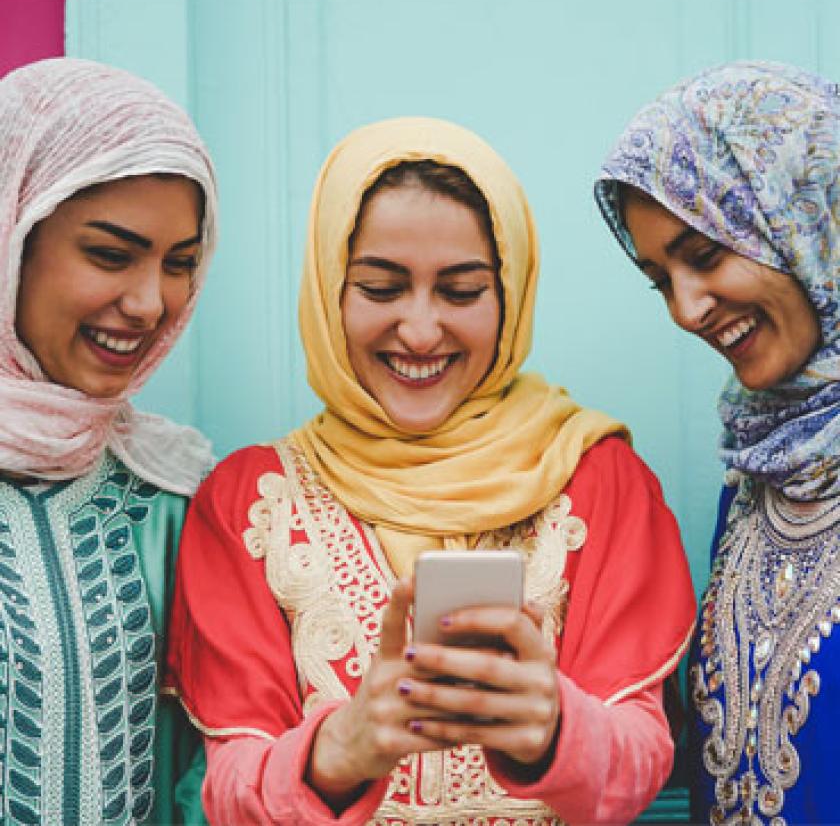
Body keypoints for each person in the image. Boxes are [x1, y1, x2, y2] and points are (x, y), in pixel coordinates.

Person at [166, 116, 695, 825]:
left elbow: (639, 760)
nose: (420, 330)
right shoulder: (248, 503)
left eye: (461, 290)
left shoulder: (598, 476)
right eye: (381, 288)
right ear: (329, 292)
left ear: (509, 296)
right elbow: (227, 788)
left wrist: (554, 727)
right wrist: (340, 749)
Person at [595, 60, 840, 825]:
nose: (686, 308)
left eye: (703, 255)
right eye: (659, 279)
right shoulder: (760, 467)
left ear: (805, 217)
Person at [0, 57, 217, 824]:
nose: (149, 302)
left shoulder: (177, 497)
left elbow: (209, 774)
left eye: (180, 264)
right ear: (13, 236)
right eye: (111, 254)